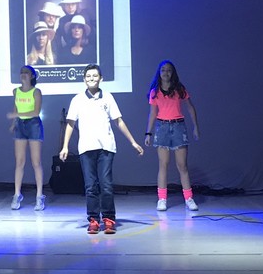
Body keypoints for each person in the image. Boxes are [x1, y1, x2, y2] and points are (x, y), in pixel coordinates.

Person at [59, 64, 144, 234]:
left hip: (106, 147)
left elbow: (118, 121)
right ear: (84, 79)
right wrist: (65, 146)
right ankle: (93, 220)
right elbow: (70, 124)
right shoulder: (77, 100)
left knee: (106, 185)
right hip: (86, 148)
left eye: (95, 76)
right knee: (90, 186)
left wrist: (133, 142)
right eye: (88, 76)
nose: (91, 78)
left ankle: (109, 218)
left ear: (101, 79)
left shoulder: (108, 97)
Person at [144, 60, 200, 211]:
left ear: (172, 73)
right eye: (163, 70)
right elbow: (152, 113)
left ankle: (189, 198)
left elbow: (190, 108)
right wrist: (148, 133)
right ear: (159, 72)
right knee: (163, 164)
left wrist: (195, 127)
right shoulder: (155, 92)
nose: (166, 73)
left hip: (178, 127)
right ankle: (162, 199)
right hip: (162, 127)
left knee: (182, 165)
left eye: (169, 70)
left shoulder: (179, 89)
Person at [7, 65, 46, 211]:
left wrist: (16, 115)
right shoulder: (16, 91)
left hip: (33, 125)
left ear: (32, 76)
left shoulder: (36, 92)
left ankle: (39, 196)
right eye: (21, 72)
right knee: (19, 161)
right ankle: (17, 194)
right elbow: (16, 108)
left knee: (36, 162)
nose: (23, 75)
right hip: (20, 125)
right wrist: (13, 122)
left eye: (26, 73)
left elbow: (36, 112)